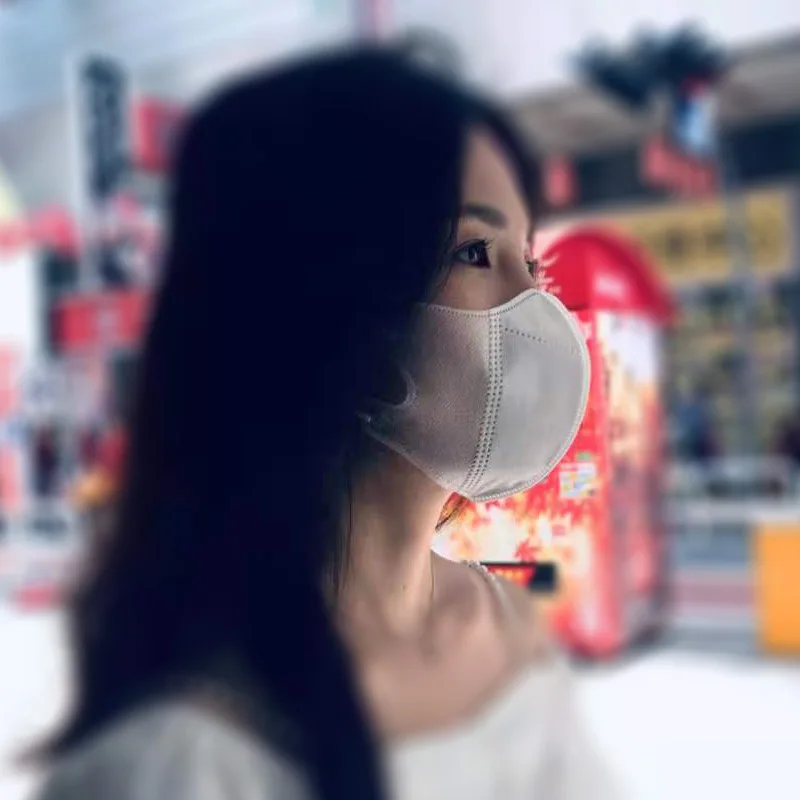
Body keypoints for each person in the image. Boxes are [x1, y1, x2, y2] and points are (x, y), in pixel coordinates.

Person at [32, 44, 619, 800]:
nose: (536, 306)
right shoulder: (172, 765)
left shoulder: (504, 622)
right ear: (326, 309)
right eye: (474, 252)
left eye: (530, 263)